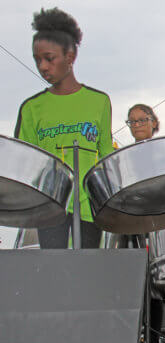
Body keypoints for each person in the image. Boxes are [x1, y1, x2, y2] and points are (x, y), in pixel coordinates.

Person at [14, 7, 113, 249]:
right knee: (56, 273)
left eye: (49, 58)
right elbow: (25, 164)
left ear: (70, 56)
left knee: (88, 274)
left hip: (90, 207)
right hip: (51, 207)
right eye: (37, 60)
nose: (43, 67)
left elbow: (107, 157)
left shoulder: (99, 101)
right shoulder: (31, 108)